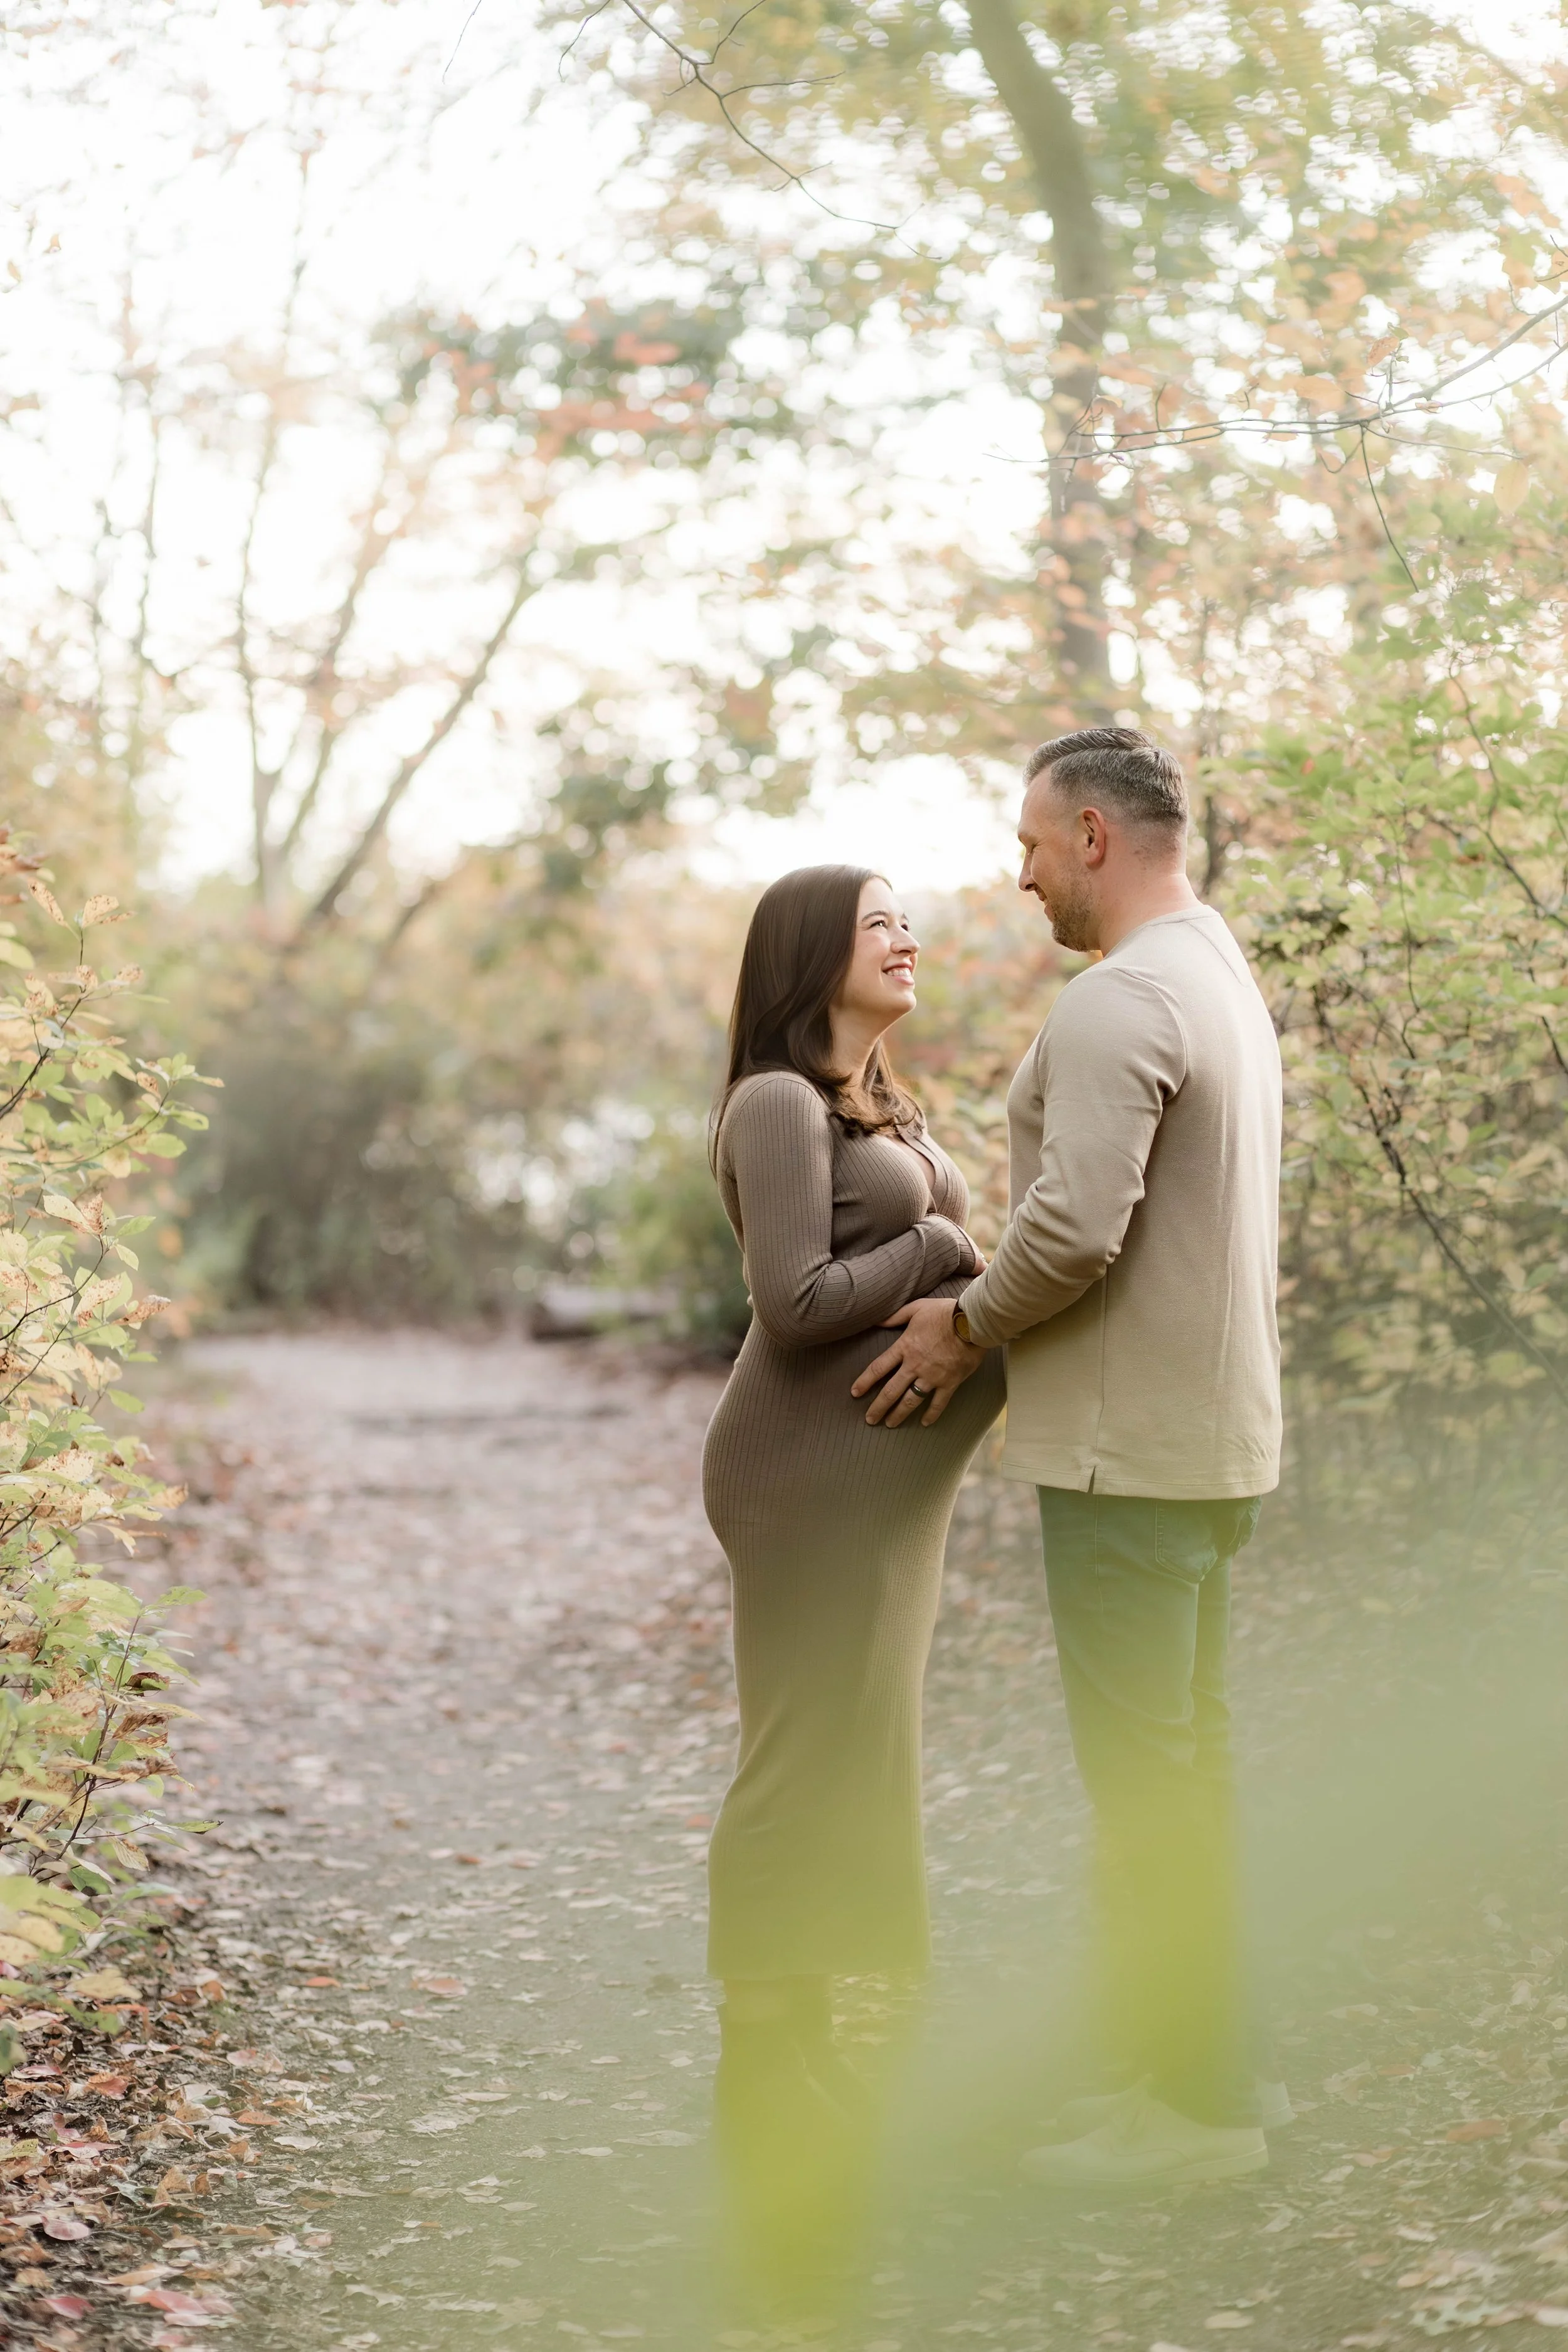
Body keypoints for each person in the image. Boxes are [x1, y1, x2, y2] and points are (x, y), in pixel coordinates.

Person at [852, 727, 1285, 2188]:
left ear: (1093, 836)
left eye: (1032, 844)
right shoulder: (1217, 977)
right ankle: (1204, 2081)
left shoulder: (1120, 999)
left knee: (1147, 1794)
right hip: (1206, 1448)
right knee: (1185, 1780)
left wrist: (962, 1326)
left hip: (1125, 1463)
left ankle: (1194, 2120)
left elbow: (1076, 1225)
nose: (1021, 873)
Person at [702, 863, 1005, 2275]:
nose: (907, 937)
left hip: (882, 1494)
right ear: (811, 951)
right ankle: (761, 2070)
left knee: (854, 1752)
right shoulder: (775, 1101)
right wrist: (942, 1243)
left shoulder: (880, 1104)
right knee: (799, 1755)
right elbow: (795, 1300)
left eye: (905, 918)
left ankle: (805, 2033)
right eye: (879, 919)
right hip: (806, 1480)